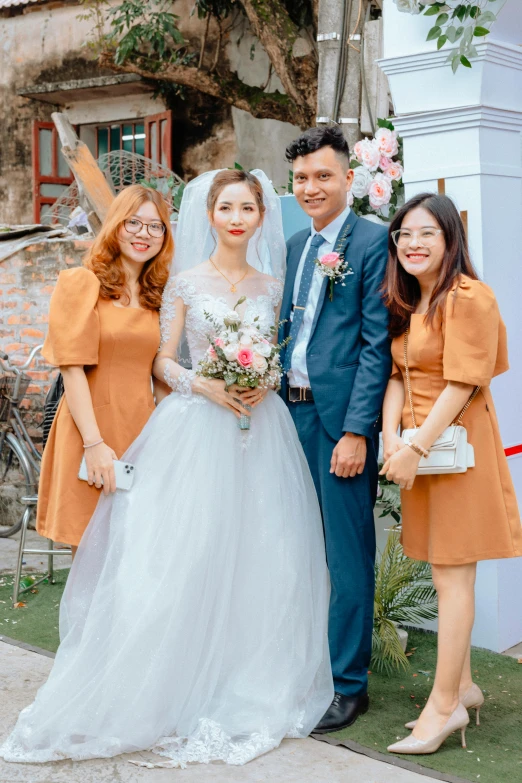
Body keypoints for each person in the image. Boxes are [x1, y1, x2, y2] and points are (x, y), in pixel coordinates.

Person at [0, 169, 333, 767]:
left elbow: (278, 354)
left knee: (260, 553)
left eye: (246, 208)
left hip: (252, 433)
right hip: (156, 432)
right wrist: (201, 384)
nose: (235, 217)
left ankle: (237, 675)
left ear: (260, 217)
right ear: (208, 215)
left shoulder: (255, 284)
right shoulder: (171, 284)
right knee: (150, 560)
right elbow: (161, 359)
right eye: (224, 207)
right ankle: (116, 677)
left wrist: (262, 380)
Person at [380, 193, 522, 755]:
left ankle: (443, 708)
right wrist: (393, 437)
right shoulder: (409, 299)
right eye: (404, 235)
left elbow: (463, 384)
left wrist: (415, 444)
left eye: (426, 234)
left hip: (456, 452)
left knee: (453, 578)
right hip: (421, 451)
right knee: (444, 575)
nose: (413, 244)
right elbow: (396, 374)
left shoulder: (470, 298)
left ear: (449, 241)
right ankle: (463, 686)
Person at [280, 126, 392, 732]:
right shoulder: (295, 242)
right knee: (293, 546)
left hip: (337, 426)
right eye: (301, 178)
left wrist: (357, 432)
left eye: (323, 175)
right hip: (285, 413)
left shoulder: (373, 242)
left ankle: (349, 684)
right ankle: (304, 666)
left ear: (349, 178)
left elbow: (377, 344)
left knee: (347, 556)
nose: (311, 187)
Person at [36, 184, 173, 558]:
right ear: (115, 225)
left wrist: (171, 436)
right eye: (133, 222)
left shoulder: (156, 295)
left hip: (141, 430)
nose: (143, 234)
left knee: (136, 559)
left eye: (155, 226)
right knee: (93, 560)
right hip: (91, 430)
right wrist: (94, 446)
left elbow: (159, 373)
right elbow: (72, 370)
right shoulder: (82, 283)